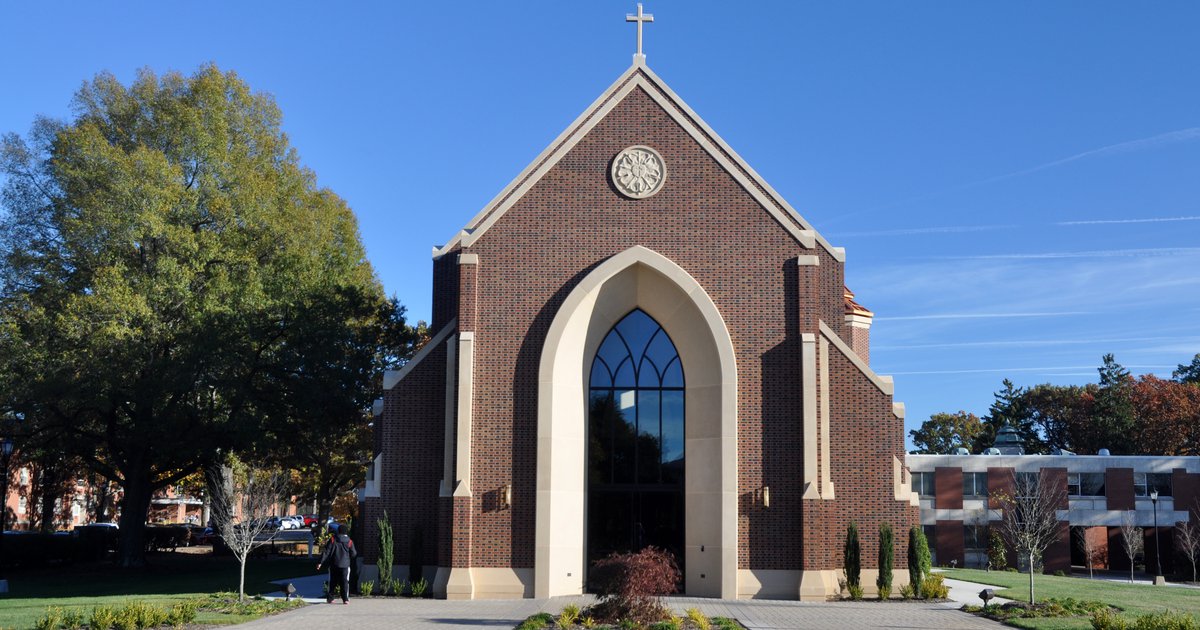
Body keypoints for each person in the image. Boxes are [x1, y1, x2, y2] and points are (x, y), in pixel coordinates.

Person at [317, 523, 357, 604]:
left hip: (334, 564)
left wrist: (320, 562)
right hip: (345, 564)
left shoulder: (332, 539)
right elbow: (354, 554)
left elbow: (326, 552)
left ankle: (330, 598)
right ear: (346, 532)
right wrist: (348, 558)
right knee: (344, 582)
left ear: (338, 531)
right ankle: (345, 599)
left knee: (332, 582)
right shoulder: (349, 541)